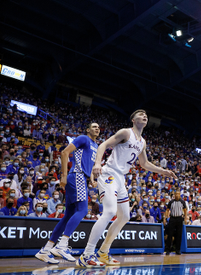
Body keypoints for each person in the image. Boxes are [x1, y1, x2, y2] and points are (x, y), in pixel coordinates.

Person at [77, 110, 176, 267]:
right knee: (109, 211)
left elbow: (144, 164)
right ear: (133, 119)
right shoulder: (125, 132)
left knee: (125, 217)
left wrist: (162, 171)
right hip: (109, 173)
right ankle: (86, 254)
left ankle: (103, 252)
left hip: (121, 178)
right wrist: (97, 163)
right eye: (140, 114)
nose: (144, 116)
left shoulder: (142, 141)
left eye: (146, 115)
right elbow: (103, 145)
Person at [35, 122, 100, 264]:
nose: (97, 129)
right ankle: (62, 245)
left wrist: (92, 179)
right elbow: (65, 152)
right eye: (94, 126)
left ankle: (46, 250)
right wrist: (63, 176)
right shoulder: (84, 138)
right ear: (88, 129)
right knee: (83, 210)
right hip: (76, 175)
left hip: (82, 177)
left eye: (98, 127)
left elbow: (88, 165)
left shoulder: (96, 146)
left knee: (68, 215)